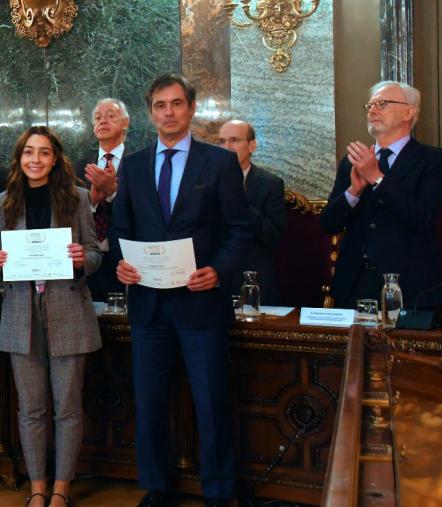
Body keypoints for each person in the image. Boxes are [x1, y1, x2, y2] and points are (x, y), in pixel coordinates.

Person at [111, 74, 251, 507]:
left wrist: (218, 270)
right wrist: (122, 265)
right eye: (159, 105)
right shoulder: (132, 167)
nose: (168, 113)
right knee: (150, 403)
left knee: (211, 402)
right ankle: (157, 487)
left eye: (175, 104)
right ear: (150, 113)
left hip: (200, 303)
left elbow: (241, 231)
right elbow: (121, 228)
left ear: (191, 109)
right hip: (149, 306)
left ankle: (221, 492)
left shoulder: (219, 163)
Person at [0, 126, 102, 507]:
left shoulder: (77, 198)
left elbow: (95, 253)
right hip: (20, 314)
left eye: (43, 153)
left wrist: (81, 259)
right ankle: (37, 486)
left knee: (67, 407)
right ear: (19, 158)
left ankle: (61, 488)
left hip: (68, 310)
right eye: (28, 153)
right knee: (31, 408)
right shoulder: (4, 201)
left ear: (55, 158)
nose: (35, 160)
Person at [320, 81, 442, 309]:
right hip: (353, 286)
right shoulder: (352, 161)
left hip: (407, 288)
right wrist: (353, 192)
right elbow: (329, 224)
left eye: (382, 103)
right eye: (370, 105)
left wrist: (377, 177)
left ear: (408, 112)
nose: (372, 110)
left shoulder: (434, 160)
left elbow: (422, 216)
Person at [218, 120, 286, 305]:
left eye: (234, 140)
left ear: (252, 146)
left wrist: (239, 198)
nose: (226, 147)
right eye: (222, 141)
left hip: (254, 277)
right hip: (215, 277)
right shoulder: (206, 181)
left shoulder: (270, 184)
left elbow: (273, 236)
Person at [74, 98, 130, 301]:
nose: (102, 121)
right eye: (98, 117)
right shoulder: (78, 166)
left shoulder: (138, 163)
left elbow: (145, 210)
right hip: (87, 259)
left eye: (111, 116)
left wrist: (114, 193)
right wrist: (93, 203)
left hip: (125, 260)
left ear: (125, 123)